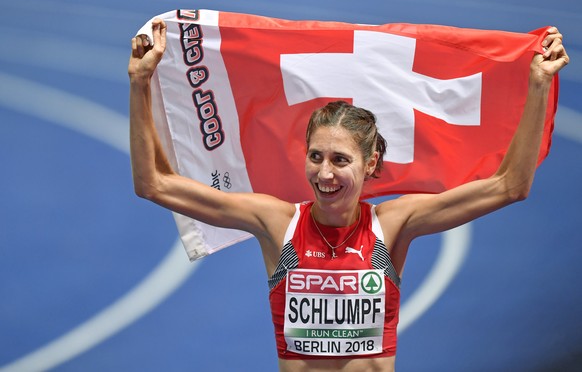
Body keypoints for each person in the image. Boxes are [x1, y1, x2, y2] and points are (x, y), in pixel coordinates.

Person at [128, 19, 568, 372]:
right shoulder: (278, 222)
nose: (324, 173)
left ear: (370, 164)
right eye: (316, 156)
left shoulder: (392, 226)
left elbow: (511, 185)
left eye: (340, 160)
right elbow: (154, 184)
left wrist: (538, 85)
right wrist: (140, 85)